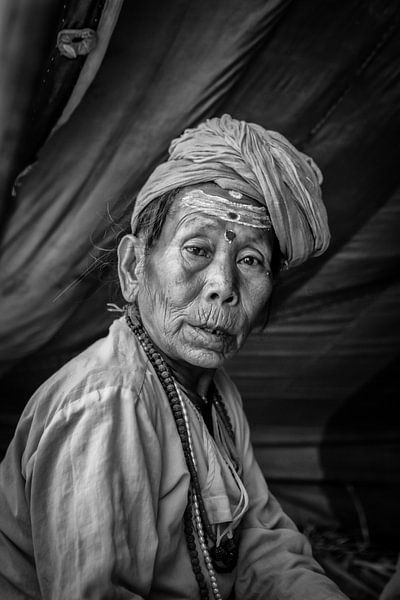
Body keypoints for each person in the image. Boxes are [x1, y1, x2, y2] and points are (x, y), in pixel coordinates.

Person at [0, 114, 349, 599]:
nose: (223, 287)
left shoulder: (215, 392)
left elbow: (259, 542)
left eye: (250, 261)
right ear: (133, 267)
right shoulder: (108, 402)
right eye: (196, 249)